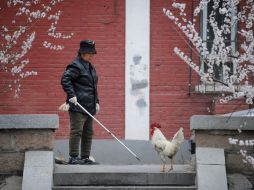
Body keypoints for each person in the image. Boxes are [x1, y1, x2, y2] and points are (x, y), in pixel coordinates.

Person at [61, 40, 99, 165]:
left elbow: (93, 86)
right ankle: (73, 157)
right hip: (78, 105)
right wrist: (71, 95)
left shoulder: (89, 66)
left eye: (93, 53)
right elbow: (65, 79)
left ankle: (85, 157)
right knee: (77, 131)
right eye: (90, 53)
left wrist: (96, 102)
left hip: (89, 106)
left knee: (88, 133)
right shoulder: (75, 66)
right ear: (83, 53)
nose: (92, 55)